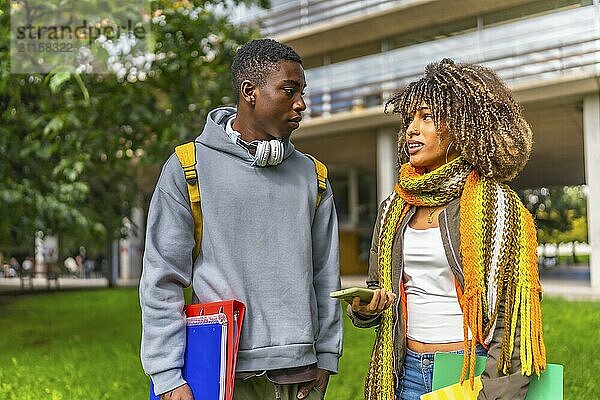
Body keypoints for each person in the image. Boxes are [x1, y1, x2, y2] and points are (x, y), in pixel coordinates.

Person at [140, 39, 343, 400]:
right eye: (289, 90)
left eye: (302, 92)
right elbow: (162, 278)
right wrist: (167, 375)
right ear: (250, 92)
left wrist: (326, 355)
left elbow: (325, 275)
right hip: (217, 370)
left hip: (299, 372)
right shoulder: (189, 167)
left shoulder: (315, 176)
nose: (301, 104)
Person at [347, 59, 546, 400]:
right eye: (409, 119)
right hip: (403, 369)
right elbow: (380, 289)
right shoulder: (393, 209)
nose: (411, 128)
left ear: (463, 127)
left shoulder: (498, 208)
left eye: (426, 117)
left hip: (467, 372)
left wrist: (494, 393)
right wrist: (365, 309)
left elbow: (511, 319)